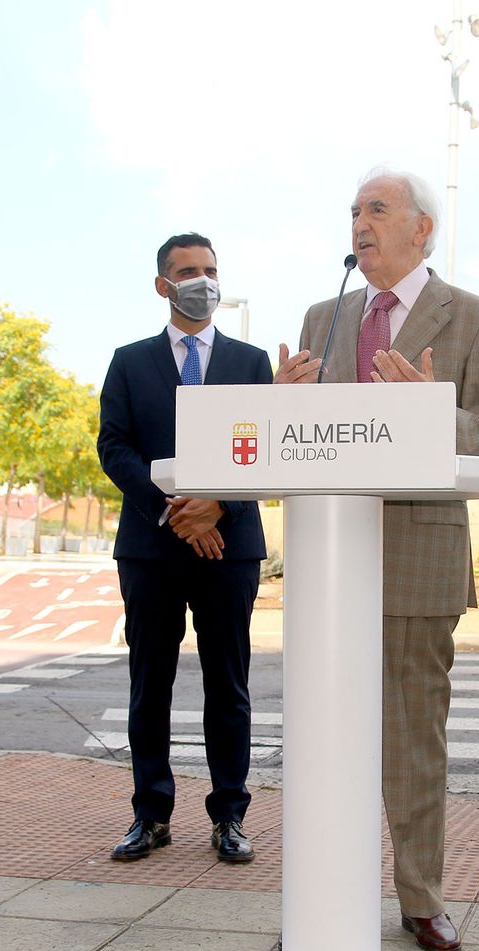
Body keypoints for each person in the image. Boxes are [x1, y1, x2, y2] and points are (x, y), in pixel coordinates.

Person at [274, 167, 479, 951]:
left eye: (376, 209)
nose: (359, 223)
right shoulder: (324, 314)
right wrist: (285, 403)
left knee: (412, 738)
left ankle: (421, 897)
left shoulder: (477, 319)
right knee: (319, 736)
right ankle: (319, 897)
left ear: (423, 230)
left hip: (417, 559)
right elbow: (302, 439)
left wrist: (431, 410)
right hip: (327, 561)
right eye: (353, 211)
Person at [96, 232, 274, 865]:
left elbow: (265, 448)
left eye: (211, 270)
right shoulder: (128, 361)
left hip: (231, 546)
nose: (203, 281)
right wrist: (174, 511)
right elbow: (114, 447)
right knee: (151, 685)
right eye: (189, 271)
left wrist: (217, 504)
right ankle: (150, 815)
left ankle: (229, 815)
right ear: (163, 284)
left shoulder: (252, 364)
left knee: (229, 685)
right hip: (151, 546)